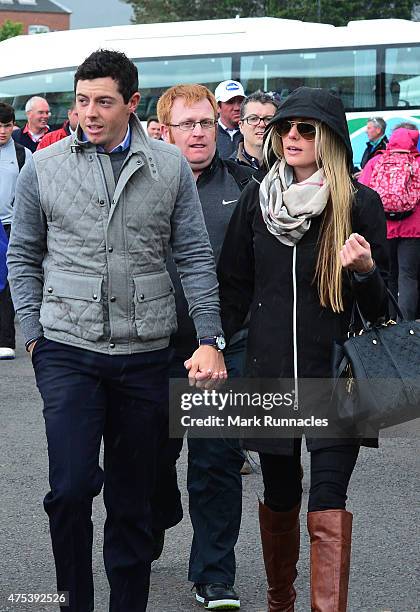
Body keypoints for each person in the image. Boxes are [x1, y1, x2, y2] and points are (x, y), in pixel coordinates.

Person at [7, 49, 227, 612]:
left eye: (104, 102)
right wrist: (32, 334)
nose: (90, 113)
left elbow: (196, 256)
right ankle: (71, 601)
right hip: (66, 350)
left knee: (134, 503)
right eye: (82, 101)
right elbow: (24, 255)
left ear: (132, 104)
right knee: (72, 488)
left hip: (146, 352)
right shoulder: (44, 166)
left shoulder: (169, 167)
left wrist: (209, 338)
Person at [218, 87, 389, 611]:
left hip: (338, 375)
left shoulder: (359, 203)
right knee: (280, 497)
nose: (291, 136)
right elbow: (233, 285)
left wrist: (364, 273)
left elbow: (385, 311)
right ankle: (280, 601)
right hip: (269, 373)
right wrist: (215, 347)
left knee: (328, 500)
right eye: (285, 127)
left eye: (306, 129)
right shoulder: (256, 198)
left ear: (331, 139)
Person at [158, 83, 255, 610]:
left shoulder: (244, 185)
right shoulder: (145, 183)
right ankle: (155, 515)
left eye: (205, 123)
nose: (199, 132)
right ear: (163, 131)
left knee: (216, 460)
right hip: (150, 346)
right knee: (149, 462)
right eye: (187, 124)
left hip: (222, 347)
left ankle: (214, 574)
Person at [359, 127, 420, 320]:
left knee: (390, 275)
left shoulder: (376, 161)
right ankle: (407, 324)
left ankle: (391, 321)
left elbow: (363, 190)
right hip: (413, 230)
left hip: (385, 228)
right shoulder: (417, 162)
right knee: (408, 276)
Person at [0, 102, 31, 360]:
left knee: (8, 283)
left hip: (11, 224)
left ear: (14, 126)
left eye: (7, 126)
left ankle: (5, 338)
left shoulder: (23, 154)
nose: (2, 131)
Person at [232, 91, 279, 169]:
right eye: (253, 118)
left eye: (268, 119)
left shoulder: (290, 166)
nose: (261, 124)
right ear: (241, 126)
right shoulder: (227, 171)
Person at [214, 80, 245, 159]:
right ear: (217, 107)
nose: (237, 108)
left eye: (241, 101)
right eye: (230, 102)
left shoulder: (252, 131)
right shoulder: (209, 133)